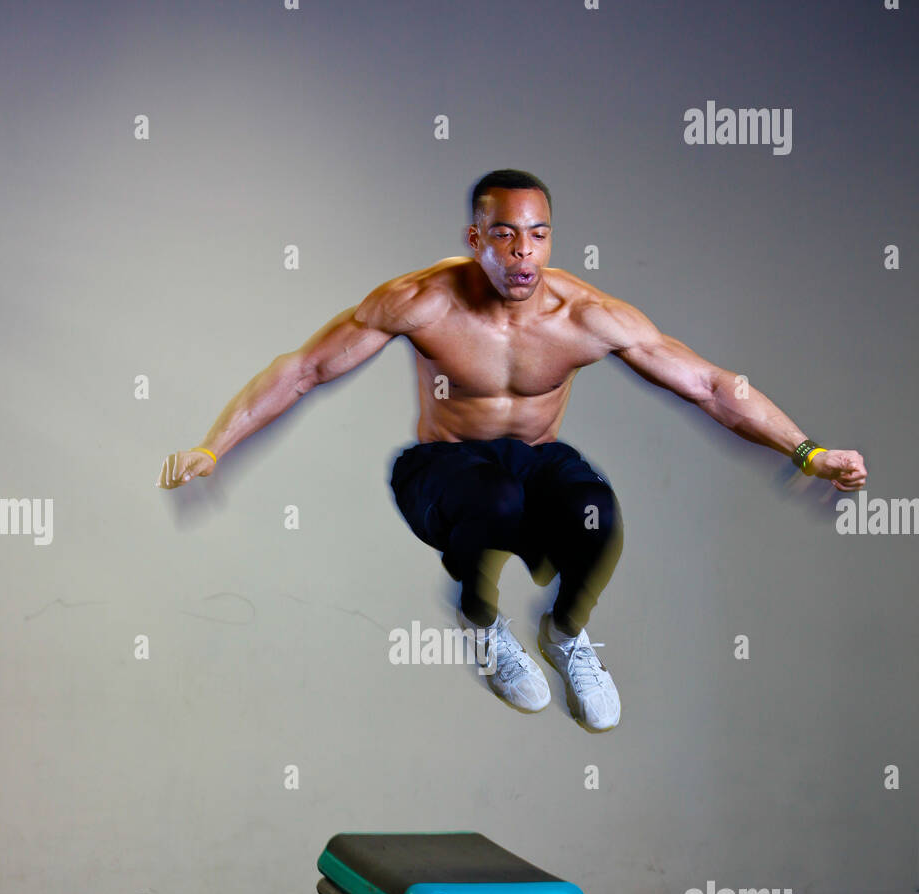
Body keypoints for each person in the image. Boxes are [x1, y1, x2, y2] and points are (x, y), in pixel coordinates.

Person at [157, 169, 867, 731]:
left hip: (535, 462)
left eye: (537, 235)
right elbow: (306, 369)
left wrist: (806, 452)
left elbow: (712, 386)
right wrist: (213, 447)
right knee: (492, 501)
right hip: (443, 468)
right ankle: (484, 620)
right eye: (504, 235)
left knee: (596, 513)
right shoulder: (421, 300)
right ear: (476, 238)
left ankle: (563, 633)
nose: (523, 252)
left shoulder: (586, 316)